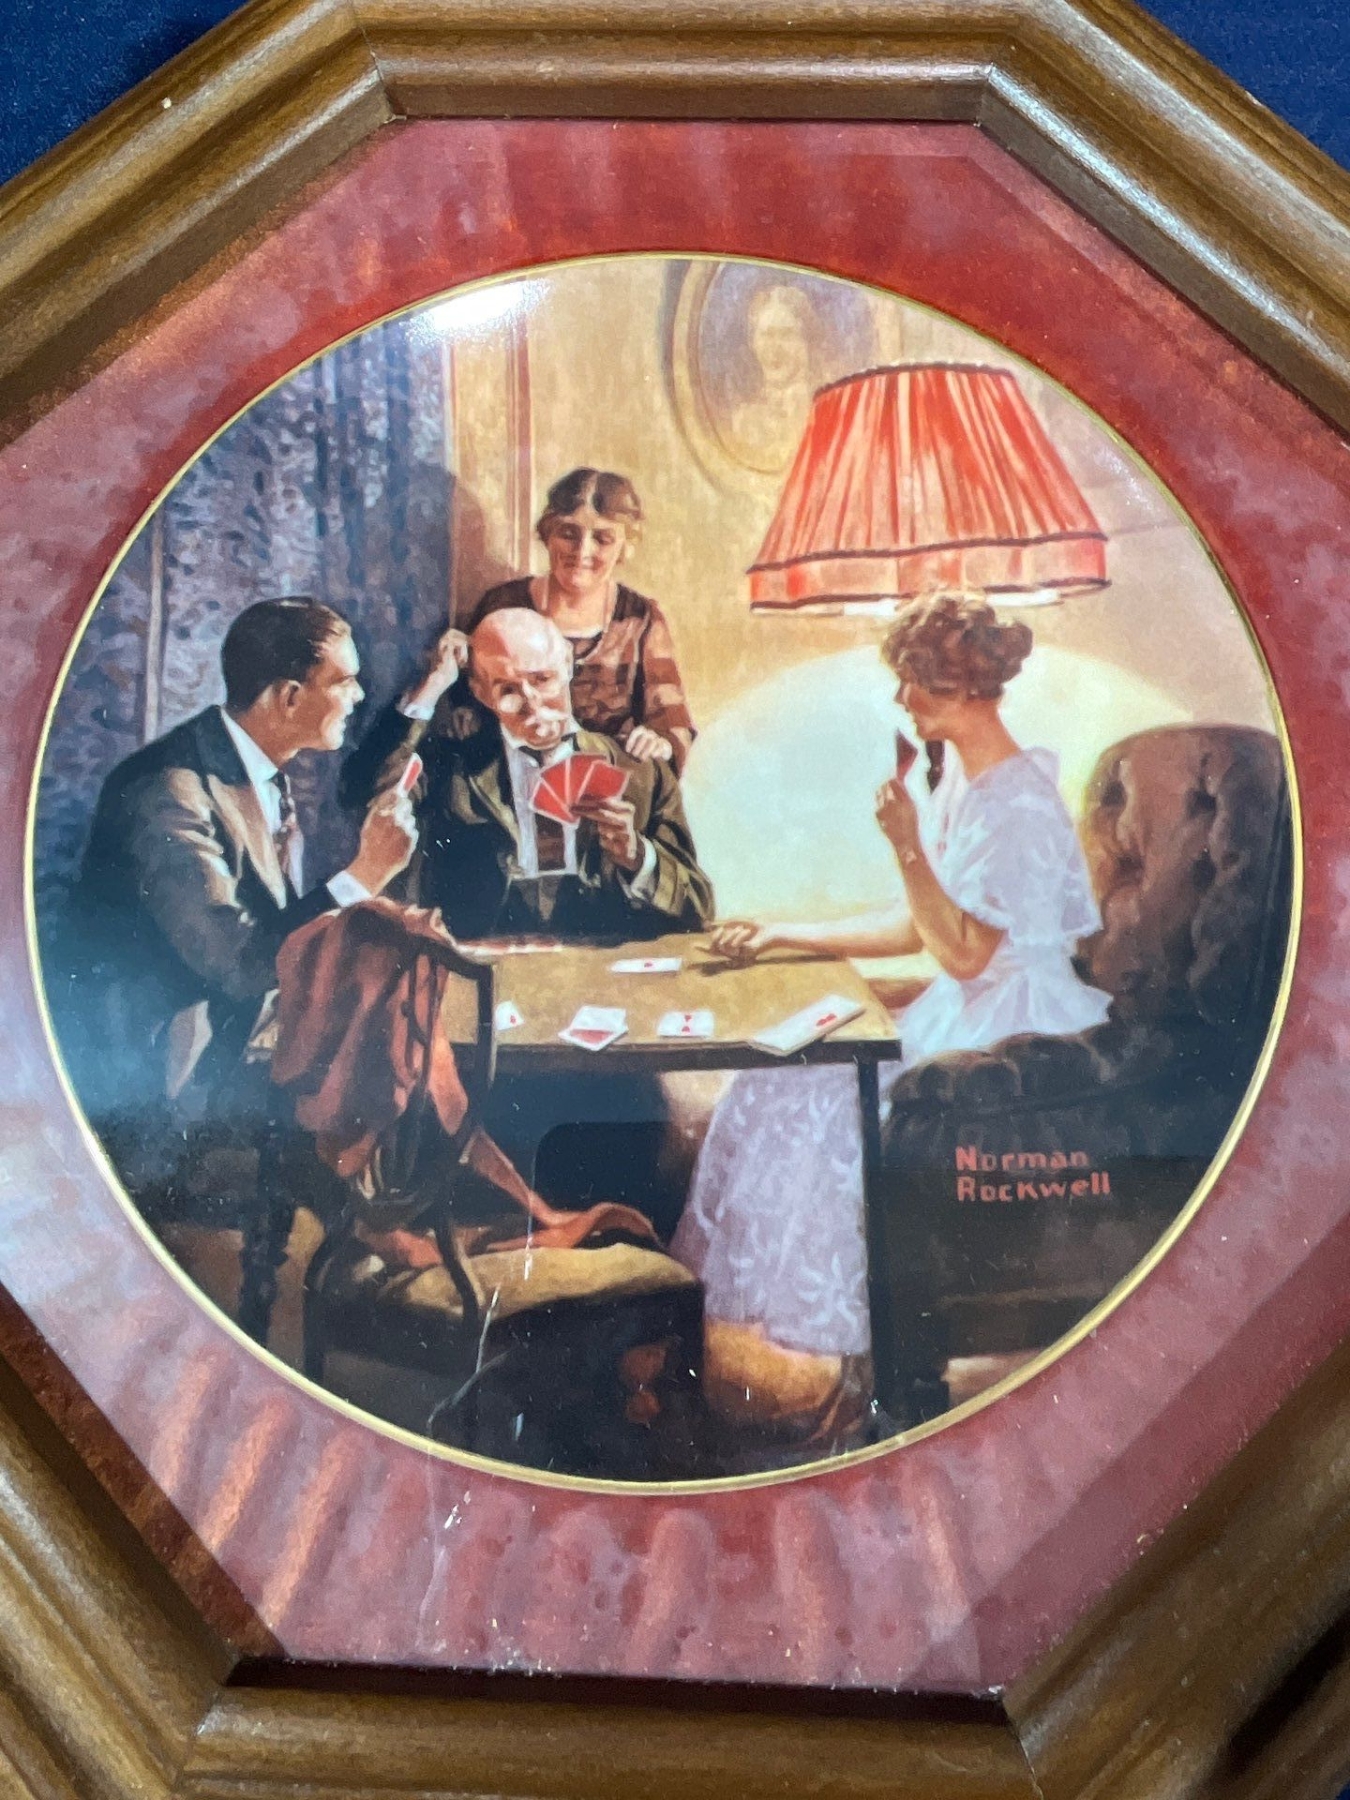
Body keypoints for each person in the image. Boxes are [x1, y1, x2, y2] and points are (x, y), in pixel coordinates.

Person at [669, 592, 1111, 1425]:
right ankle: (789, 1360)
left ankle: (835, 1365)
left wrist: (905, 842)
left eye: (917, 682)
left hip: (1015, 1028)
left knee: (816, 1099)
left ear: (966, 688)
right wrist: (783, 932)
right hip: (970, 1003)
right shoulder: (961, 779)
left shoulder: (1018, 805)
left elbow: (966, 954)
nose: (903, 699)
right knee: (772, 1080)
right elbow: (918, 924)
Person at [65, 598, 417, 1131]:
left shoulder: (257, 770)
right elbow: (238, 962)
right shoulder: (168, 791)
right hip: (159, 1087)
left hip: (237, 1044)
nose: (359, 696)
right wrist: (362, 878)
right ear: (289, 697)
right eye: (344, 681)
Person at [343, 607, 712, 942]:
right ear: (481, 694)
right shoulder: (452, 770)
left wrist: (638, 857)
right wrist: (432, 687)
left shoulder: (641, 772)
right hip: (483, 967)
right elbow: (363, 792)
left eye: (543, 679)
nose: (532, 703)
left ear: (567, 664)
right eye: (508, 690)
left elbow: (699, 905)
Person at [423, 468, 696, 772]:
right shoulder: (503, 605)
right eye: (568, 533)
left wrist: (660, 743)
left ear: (625, 546)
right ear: (548, 533)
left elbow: (673, 725)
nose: (582, 551)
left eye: (603, 539)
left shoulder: (639, 619)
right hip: (511, 781)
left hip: (606, 783)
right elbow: (464, 707)